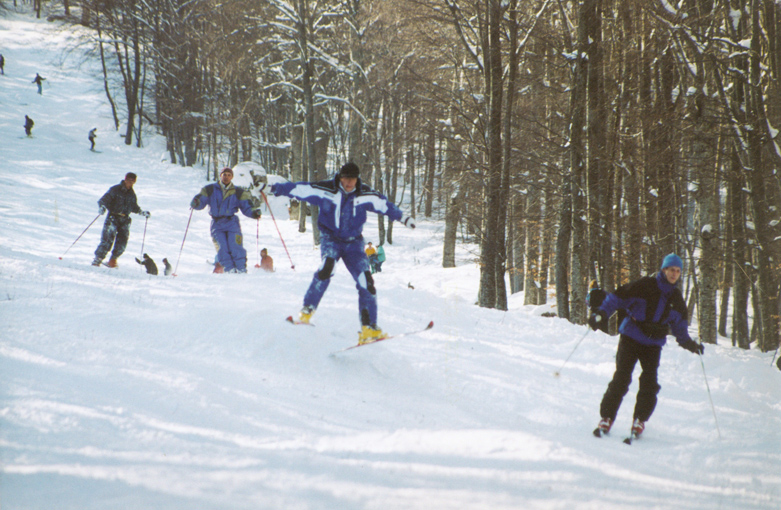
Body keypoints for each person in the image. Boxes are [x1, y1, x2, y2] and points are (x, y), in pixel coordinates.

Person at [270, 161, 416, 343]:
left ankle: (369, 328)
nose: (349, 183)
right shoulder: (327, 190)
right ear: (340, 177)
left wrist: (403, 218)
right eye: (346, 179)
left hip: (354, 244)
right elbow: (300, 189)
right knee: (327, 268)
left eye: (352, 179)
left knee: (366, 282)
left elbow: (384, 205)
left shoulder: (364, 194)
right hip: (331, 239)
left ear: (357, 179)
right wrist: (273, 188)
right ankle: (307, 310)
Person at [589, 253, 704, 439]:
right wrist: (601, 313)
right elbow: (617, 298)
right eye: (671, 270)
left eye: (678, 271)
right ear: (663, 270)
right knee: (622, 377)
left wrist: (690, 345)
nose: (674, 274)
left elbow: (680, 328)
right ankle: (607, 417)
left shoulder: (676, 300)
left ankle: (639, 420)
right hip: (631, 336)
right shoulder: (645, 286)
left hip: (653, 344)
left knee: (649, 383)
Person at [190, 167, 261, 273]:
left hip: (231, 222)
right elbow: (201, 201)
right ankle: (229, 269)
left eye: (229, 175)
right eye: (224, 175)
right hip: (217, 223)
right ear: (220, 176)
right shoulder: (210, 189)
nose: (226, 177)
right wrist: (196, 203)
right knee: (222, 248)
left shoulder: (238, 192)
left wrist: (254, 212)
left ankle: (241, 269)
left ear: (232, 177)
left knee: (235, 246)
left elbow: (246, 205)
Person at [92, 173, 150, 268]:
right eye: (129, 180)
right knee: (107, 239)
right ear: (125, 179)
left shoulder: (131, 194)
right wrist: (102, 207)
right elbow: (104, 200)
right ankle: (98, 259)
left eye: (133, 181)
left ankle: (112, 261)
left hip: (125, 219)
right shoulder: (115, 189)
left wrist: (141, 212)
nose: (130, 182)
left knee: (122, 242)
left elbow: (134, 206)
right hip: (113, 217)